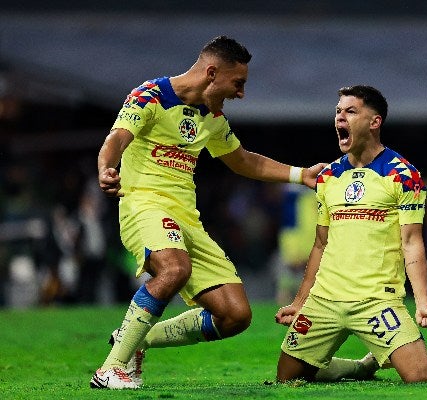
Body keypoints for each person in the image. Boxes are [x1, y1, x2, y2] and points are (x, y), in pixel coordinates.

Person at [90, 35, 325, 389]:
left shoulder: (211, 117)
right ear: (212, 72)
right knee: (174, 269)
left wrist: (299, 174)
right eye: (238, 83)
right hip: (145, 205)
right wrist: (106, 166)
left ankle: (134, 338)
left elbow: (243, 160)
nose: (241, 93)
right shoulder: (150, 95)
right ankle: (111, 368)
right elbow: (117, 138)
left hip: (187, 220)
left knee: (235, 315)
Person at [274, 85, 427, 383]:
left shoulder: (402, 174)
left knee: (421, 378)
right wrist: (299, 301)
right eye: (338, 112)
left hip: (376, 300)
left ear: (374, 122)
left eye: (350, 111)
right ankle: (363, 368)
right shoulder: (328, 176)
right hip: (325, 299)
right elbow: (320, 243)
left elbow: (411, 242)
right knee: (288, 378)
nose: (340, 118)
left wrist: (422, 302)